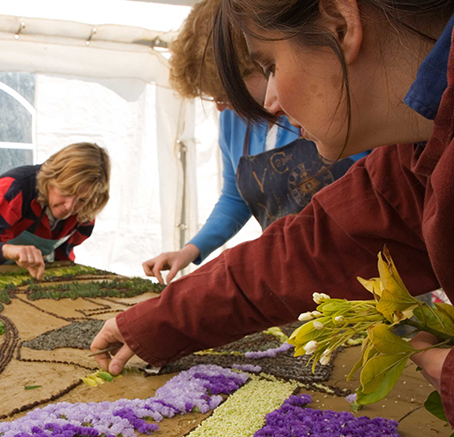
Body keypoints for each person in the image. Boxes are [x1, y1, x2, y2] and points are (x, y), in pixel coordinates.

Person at [91, 0, 454, 428]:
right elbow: (302, 253)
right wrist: (156, 320)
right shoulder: (410, 156)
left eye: (270, 66)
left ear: (340, 24)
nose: (271, 101)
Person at [143, 0, 369, 285]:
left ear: (259, 64)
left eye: (225, 93)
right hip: (296, 277)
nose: (220, 107)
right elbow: (235, 197)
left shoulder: (326, 109)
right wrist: (190, 251)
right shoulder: (233, 122)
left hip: (367, 275)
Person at [0, 143, 111, 280]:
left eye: (82, 199)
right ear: (51, 179)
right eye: (66, 192)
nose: (69, 207)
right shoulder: (13, 190)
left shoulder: (86, 210)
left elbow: (63, 256)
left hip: (34, 282)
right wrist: (9, 251)